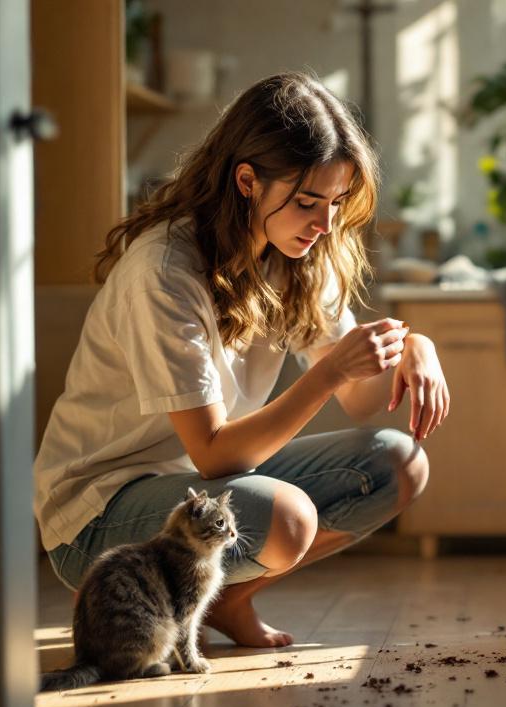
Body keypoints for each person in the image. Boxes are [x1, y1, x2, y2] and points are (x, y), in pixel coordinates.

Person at [34, 72, 449, 648]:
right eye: (307, 202)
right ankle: (123, 586)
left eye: (334, 203)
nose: (324, 224)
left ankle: (219, 600)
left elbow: (363, 400)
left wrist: (414, 348)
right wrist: (328, 372)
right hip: (100, 508)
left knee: (397, 464)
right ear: (248, 181)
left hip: (207, 492)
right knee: (287, 519)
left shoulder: (298, 252)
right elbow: (211, 453)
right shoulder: (164, 273)